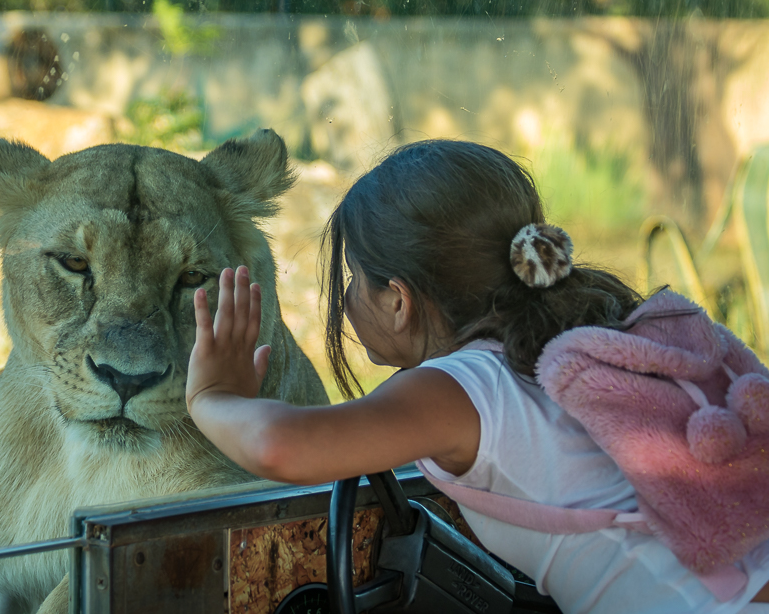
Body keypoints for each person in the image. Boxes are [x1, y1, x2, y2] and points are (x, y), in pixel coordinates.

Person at [185, 140, 769, 614]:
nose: (345, 300)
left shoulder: (464, 386)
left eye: (354, 280)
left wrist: (212, 396)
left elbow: (280, 447)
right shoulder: (577, 344)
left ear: (397, 300)